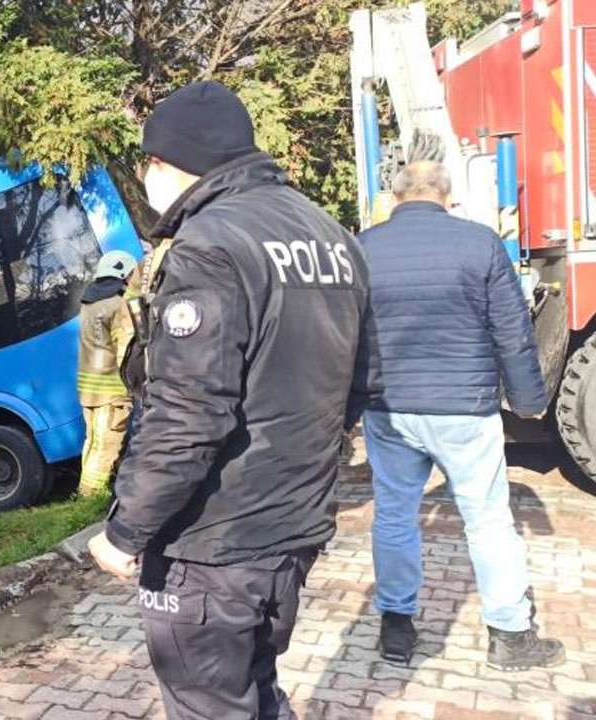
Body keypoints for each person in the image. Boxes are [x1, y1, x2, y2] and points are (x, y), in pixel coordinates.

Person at [87, 80, 379, 719]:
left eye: (147, 165)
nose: (145, 179)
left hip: (212, 544)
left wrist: (125, 529)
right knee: (258, 691)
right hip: (293, 530)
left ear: (168, 163)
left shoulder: (208, 246)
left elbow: (187, 413)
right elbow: (361, 383)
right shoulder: (331, 235)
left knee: (212, 706)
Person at [358, 159, 564, 670]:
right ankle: (510, 636)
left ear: (396, 196)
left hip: (390, 409)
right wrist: (529, 400)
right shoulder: (480, 243)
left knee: (394, 516)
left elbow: (348, 336)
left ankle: (397, 631)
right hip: (465, 409)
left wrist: (343, 407)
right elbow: (510, 330)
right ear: (446, 197)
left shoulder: (364, 248)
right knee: (489, 519)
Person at [77, 249, 138, 496]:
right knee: (108, 443)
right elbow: (123, 347)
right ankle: (91, 495)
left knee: (92, 441)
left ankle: (85, 490)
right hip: (112, 389)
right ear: (122, 273)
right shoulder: (117, 305)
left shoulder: (88, 305)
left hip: (88, 390)